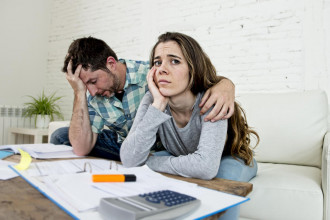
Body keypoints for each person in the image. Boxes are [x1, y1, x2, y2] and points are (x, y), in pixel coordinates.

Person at [120, 32, 260, 220]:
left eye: (175, 61)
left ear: (193, 68)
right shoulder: (152, 99)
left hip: (230, 158)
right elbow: (129, 160)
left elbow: (205, 167)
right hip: (183, 156)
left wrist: (149, 162)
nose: (162, 69)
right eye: (157, 62)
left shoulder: (212, 99)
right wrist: (158, 105)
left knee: (224, 178)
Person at [50, 36, 236, 161]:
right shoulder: (93, 96)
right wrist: (78, 93)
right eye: (85, 86)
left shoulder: (152, 74)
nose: (92, 91)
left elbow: (195, 80)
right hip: (127, 147)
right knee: (60, 135)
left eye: (93, 81)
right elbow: (81, 148)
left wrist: (226, 84)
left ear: (111, 64)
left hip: (159, 149)